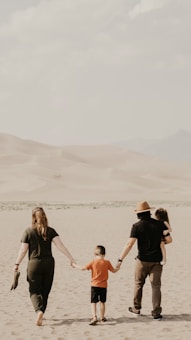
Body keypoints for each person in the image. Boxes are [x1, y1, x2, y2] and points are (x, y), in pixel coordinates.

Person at [13, 207, 75, 326]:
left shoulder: (28, 231)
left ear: (33, 217)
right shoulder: (51, 231)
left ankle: (39, 311)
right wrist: (70, 258)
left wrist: (17, 264)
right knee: (45, 290)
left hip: (34, 264)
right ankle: (42, 311)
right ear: (45, 216)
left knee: (34, 290)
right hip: (49, 264)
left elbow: (23, 250)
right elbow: (61, 246)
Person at [116, 201, 172, 320]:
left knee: (138, 284)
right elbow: (169, 240)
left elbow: (129, 244)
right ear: (149, 212)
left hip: (142, 261)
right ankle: (156, 312)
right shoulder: (159, 224)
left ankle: (136, 309)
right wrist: (160, 243)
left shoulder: (137, 226)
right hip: (157, 261)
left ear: (139, 214)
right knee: (156, 286)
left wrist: (120, 259)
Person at [72, 245, 119, 325]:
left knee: (93, 302)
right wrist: (118, 267)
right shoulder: (107, 262)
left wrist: (74, 265)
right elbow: (114, 270)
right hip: (103, 286)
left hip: (94, 285)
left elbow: (83, 268)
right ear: (104, 254)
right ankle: (102, 317)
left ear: (95, 254)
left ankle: (94, 317)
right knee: (102, 302)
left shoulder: (93, 261)